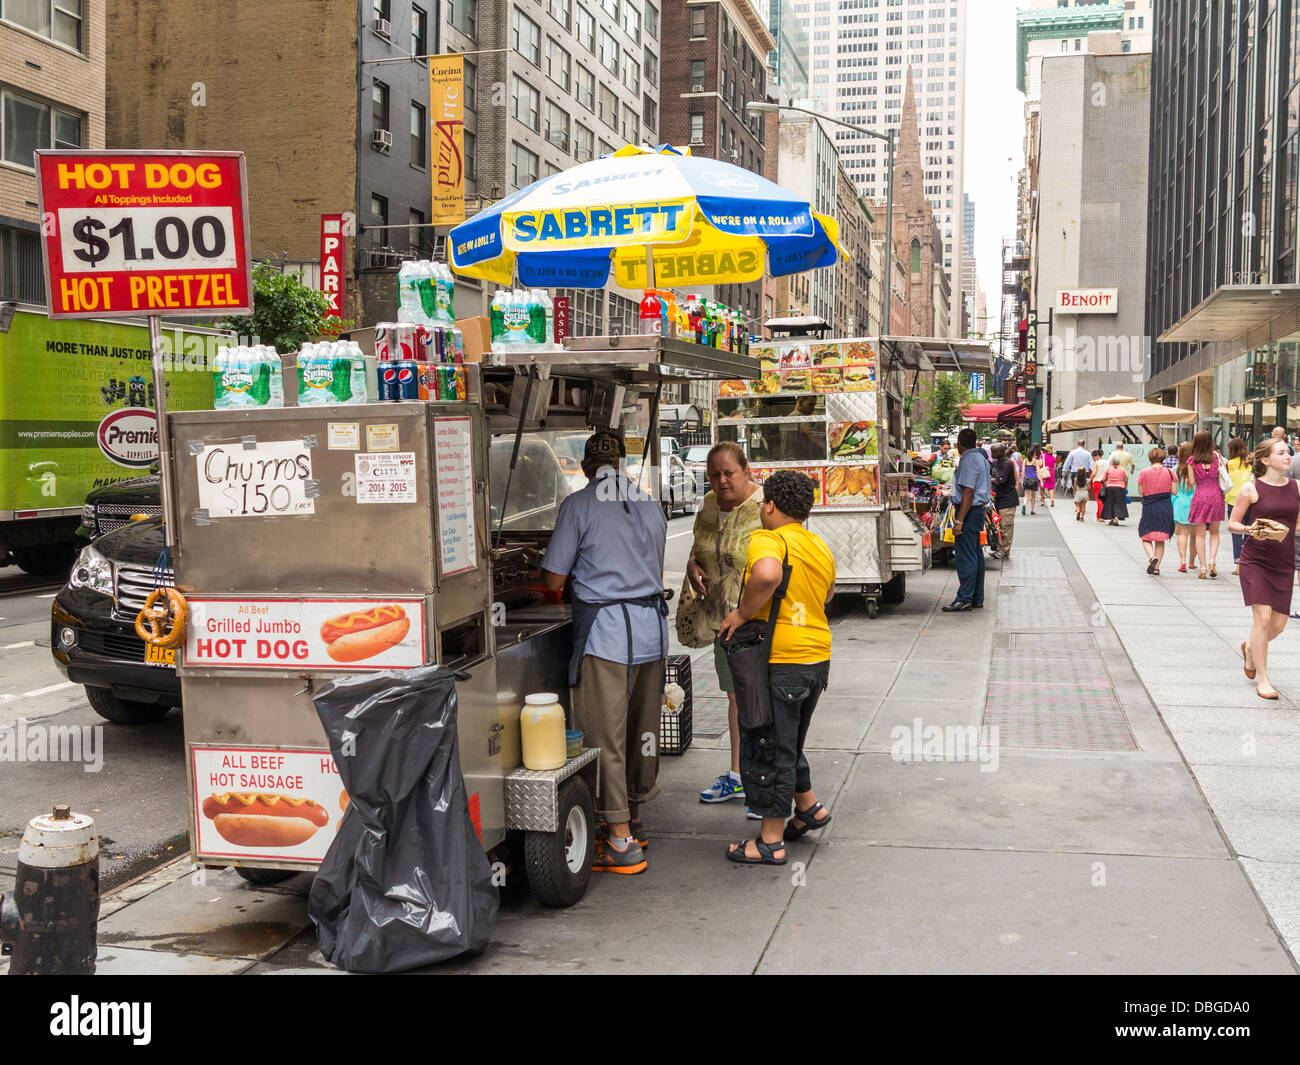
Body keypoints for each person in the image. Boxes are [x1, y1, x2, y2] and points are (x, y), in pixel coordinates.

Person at [541, 431, 669, 874]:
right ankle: (633, 816)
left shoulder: (578, 506)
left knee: (604, 736)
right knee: (641, 731)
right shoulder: (652, 504)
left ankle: (618, 841)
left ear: (585, 467)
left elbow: (554, 580)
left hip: (608, 636)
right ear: (623, 463)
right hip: (650, 632)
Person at [717, 471, 835, 865]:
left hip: (780, 661)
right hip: (815, 660)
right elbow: (828, 594)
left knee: (767, 744)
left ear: (768, 506)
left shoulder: (768, 538)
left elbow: (767, 574)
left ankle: (770, 841)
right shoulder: (817, 545)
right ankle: (809, 808)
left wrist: (742, 612)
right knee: (788, 741)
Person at [684, 442, 764, 812]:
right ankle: (738, 775)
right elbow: (699, 548)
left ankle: (763, 782)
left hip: (758, 622)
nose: (721, 480)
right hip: (722, 620)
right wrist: (692, 566)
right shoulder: (710, 506)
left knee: (760, 700)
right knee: (735, 699)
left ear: (746, 471)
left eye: (728, 472)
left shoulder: (766, 507)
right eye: (714, 474)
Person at [1228, 438, 1300, 700]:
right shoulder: (1251, 488)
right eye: (1281, 452)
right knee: (1264, 618)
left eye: (1288, 451)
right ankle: (1264, 679)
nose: (1287, 455)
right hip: (1255, 560)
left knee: (1279, 626)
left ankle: (1250, 651)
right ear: (1265, 460)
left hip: (1284, 561)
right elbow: (1232, 523)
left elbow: (1298, 526)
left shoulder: (1297, 488)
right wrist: (1251, 529)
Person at [943, 427, 991, 612]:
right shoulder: (981, 458)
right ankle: (976, 597)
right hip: (976, 511)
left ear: (959, 444)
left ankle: (964, 598)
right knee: (976, 555)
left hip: (969, 512)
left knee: (966, 556)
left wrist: (959, 520)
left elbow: (968, 492)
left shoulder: (969, 460)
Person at [1187, 430, 1226, 579]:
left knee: (1200, 534)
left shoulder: (1192, 460)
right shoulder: (1217, 457)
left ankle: (1202, 567)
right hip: (1216, 496)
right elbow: (1223, 473)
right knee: (1215, 533)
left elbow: (1191, 482)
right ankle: (1212, 560)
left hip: (1200, 496)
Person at [1137, 447, 1176, 574]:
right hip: (1165, 506)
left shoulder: (1143, 472)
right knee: (1160, 538)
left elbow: (1140, 492)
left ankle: (1152, 557)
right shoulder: (1170, 472)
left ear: (1150, 458)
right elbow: (1174, 492)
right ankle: (1157, 568)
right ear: (1163, 458)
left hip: (1149, 506)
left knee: (1145, 535)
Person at [1224, 437, 1253, 576]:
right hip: (1250, 500)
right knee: (1248, 530)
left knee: (1236, 532)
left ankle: (1238, 564)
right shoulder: (1251, 463)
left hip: (1233, 501)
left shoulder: (1228, 464)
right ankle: (1247, 561)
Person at [1172, 441, 1199, 573]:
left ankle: (1182, 560)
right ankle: (1192, 562)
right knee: (1194, 535)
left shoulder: (1175, 469)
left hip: (1180, 504)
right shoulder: (1196, 469)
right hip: (1195, 503)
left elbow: (1174, 490)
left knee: (1182, 533)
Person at [989, 443, 1019, 559]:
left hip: (1007, 499)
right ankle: (999, 548)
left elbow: (999, 481)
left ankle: (1005, 550)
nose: (991, 454)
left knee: (1006, 526)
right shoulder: (996, 463)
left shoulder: (1007, 463)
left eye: (993, 452)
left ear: (1000, 452)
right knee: (998, 526)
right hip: (998, 498)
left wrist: (987, 479)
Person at [1101, 454, 1130, 525]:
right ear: (1119, 463)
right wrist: (1126, 487)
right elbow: (1126, 479)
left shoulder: (1108, 469)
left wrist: (1105, 482)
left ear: (1112, 463)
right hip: (1119, 488)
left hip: (1109, 488)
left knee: (1110, 503)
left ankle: (1111, 519)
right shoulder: (1122, 469)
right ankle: (1116, 518)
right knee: (1118, 503)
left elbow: (1103, 479)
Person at [1022, 445, 1041, 515]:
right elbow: (1038, 471)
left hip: (1026, 479)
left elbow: (1023, 470)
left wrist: (1022, 480)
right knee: (1033, 495)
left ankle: (1024, 505)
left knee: (1026, 495)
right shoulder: (1036, 461)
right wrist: (1041, 480)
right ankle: (1032, 510)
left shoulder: (1025, 460)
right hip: (1034, 479)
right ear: (1033, 454)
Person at [1090, 449, 1109, 522]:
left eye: (1094, 457)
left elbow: (1094, 473)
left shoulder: (1096, 463)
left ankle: (1101, 516)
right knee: (1103, 500)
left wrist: (1089, 479)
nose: (1093, 459)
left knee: (1099, 500)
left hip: (1097, 482)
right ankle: (1099, 515)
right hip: (1105, 482)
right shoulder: (1107, 462)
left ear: (1097, 456)